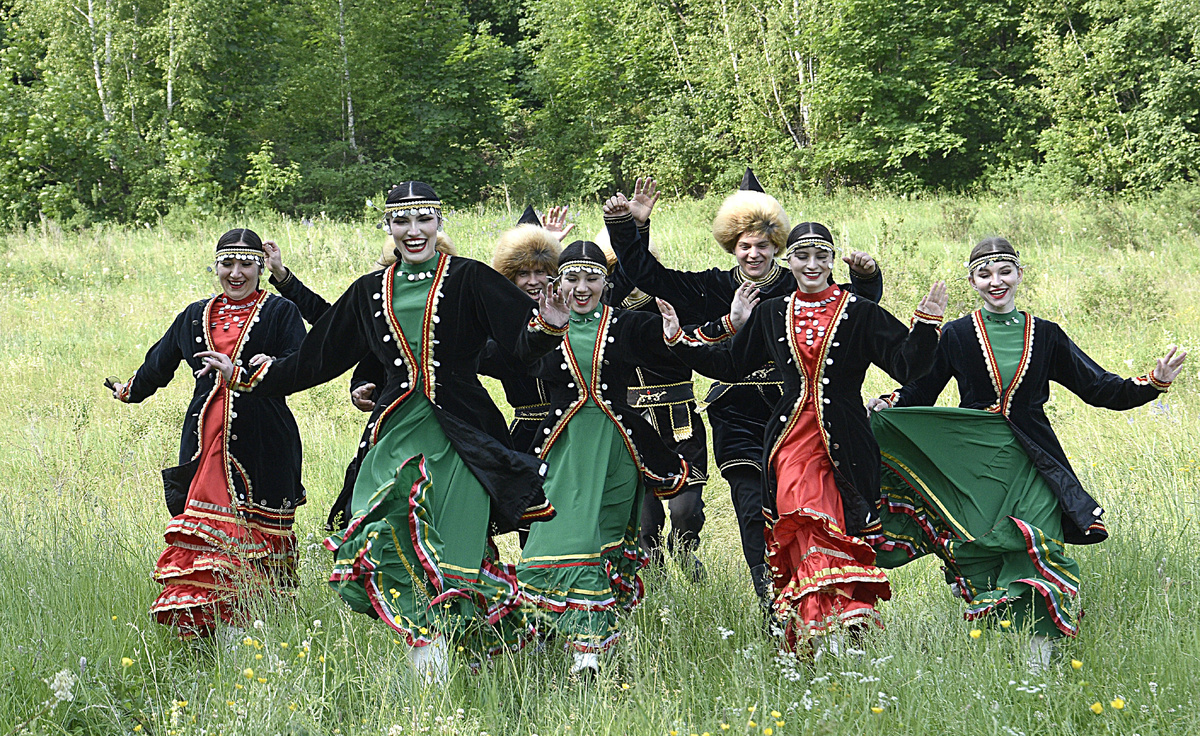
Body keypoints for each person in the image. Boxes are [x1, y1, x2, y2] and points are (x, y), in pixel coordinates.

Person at [196, 182, 570, 682]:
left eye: (423, 219)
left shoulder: (472, 278)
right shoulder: (369, 290)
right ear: (388, 226)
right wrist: (246, 375)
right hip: (394, 434)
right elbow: (317, 357)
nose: (413, 231)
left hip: (462, 436)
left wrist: (548, 325)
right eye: (402, 221)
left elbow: (520, 347)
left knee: (455, 550)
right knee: (382, 535)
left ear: (439, 222)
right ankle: (429, 654)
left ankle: (461, 657)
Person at [867, 237, 1187, 671]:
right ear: (973, 282)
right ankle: (996, 647)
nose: (996, 281)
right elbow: (922, 389)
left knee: (1039, 543)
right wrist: (891, 404)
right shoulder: (957, 334)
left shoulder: (1047, 334)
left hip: (1034, 460)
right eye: (985, 274)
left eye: (1004, 271)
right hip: (975, 462)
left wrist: (1152, 383)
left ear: (1020, 274)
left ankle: (1038, 664)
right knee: (982, 547)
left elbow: (1097, 388)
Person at [659, 218, 947, 655]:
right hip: (791, 442)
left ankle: (838, 626)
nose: (812, 265)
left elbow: (908, 367)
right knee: (806, 521)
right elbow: (730, 365)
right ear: (788, 260)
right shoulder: (773, 312)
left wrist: (925, 326)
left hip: (847, 442)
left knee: (841, 529)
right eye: (802, 256)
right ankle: (818, 628)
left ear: (832, 261)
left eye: (821, 256)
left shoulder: (859, 311)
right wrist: (679, 341)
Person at [608, 172, 883, 609]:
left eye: (763, 245)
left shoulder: (799, 280)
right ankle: (771, 601)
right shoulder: (710, 288)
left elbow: (854, 310)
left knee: (807, 508)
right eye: (744, 246)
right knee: (752, 508)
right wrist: (633, 227)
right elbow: (647, 274)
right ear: (731, 247)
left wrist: (867, 279)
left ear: (777, 246)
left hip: (799, 413)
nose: (754, 253)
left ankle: (823, 597)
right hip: (736, 413)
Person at [109, 229, 307, 641]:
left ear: (260, 267)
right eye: (227, 264)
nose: (236, 273)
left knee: (258, 537)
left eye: (246, 264)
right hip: (204, 443)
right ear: (215, 266)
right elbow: (159, 362)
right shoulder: (194, 315)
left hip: (265, 441)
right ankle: (208, 633)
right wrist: (129, 390)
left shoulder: (281, 311)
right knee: (209, 538)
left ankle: (254, 637)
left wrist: (262, 367)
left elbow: (302, 366)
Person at [516, 234, 696, 676]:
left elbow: (681, 348)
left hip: (617, 453)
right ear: (558, 283)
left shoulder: (625, 324)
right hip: (562, 451)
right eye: (572, 278)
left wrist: (707, 328)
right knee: (555, 540)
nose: (582, 288)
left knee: (599, 543)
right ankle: (553, 633)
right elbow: (491, 356)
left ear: (605, 283)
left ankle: (589, 652)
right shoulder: (540, 325)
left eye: (591, 278)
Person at [593, 225, 709, 581]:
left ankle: (684, 547)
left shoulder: (672, 302)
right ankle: (655, 584)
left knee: (686, 510)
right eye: (618, 268)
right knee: (645, 521)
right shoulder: (604, 316)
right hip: (632, 425)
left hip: (680, 421)